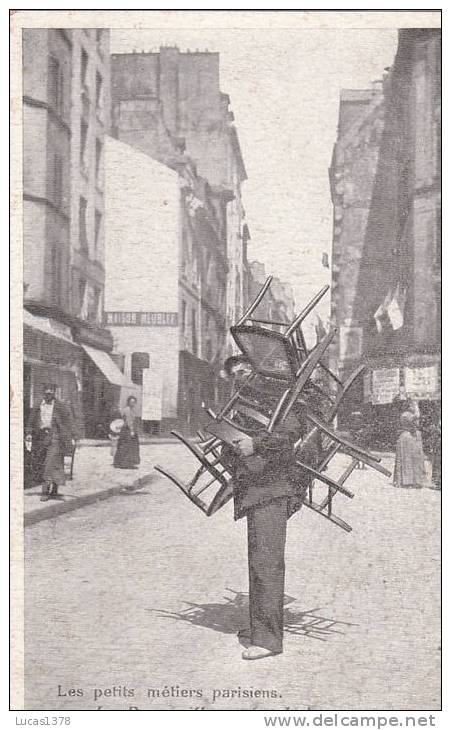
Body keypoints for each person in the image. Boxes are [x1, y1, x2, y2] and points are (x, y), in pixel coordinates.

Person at [221, 355, 310, 660]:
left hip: (272, 491)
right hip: (257, 492)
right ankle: (259, 629)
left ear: (255, 370)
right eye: (234, 375)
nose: (240, 378)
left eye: (244, 370)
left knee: (266, 566)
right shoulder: (249, 405)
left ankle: (269, 641)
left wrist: (254, 445)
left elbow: (289, 435)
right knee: (258, 563)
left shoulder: (280, 399)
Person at [25, 383, 77, 501]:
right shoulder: (38, 405)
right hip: (40, 438)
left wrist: (73, 436)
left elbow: (69, 421)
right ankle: (54, 488)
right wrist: (28, 433)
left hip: (56, 437)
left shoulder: (61, 406)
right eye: (47, 390)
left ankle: (45, 491)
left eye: (51, 390)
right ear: (44, 392)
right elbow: (31, 420)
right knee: (51, 463)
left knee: (49, 463)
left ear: (54, 392)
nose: (49, 392)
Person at [393, 410, 427, 489]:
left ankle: (416, 481)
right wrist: (414, 417)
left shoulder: (417, 432)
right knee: (406, 460)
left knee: (416, 460)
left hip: (413, 438)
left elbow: (415, 423)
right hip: (406, 438)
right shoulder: (405, 415)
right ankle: (406, 481)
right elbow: (408, 421)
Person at [114, 396, 140, 469]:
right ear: (128, 402)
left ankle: (119, 462)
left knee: (125, 446)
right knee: (126, 446)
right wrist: (131, 431)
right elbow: (128, 421)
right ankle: (124, 463)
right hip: (127, 430)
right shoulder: (127, 410)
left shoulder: (131, 410)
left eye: (134, 402)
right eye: (131, 402)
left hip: (127, 430)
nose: (133, 403)